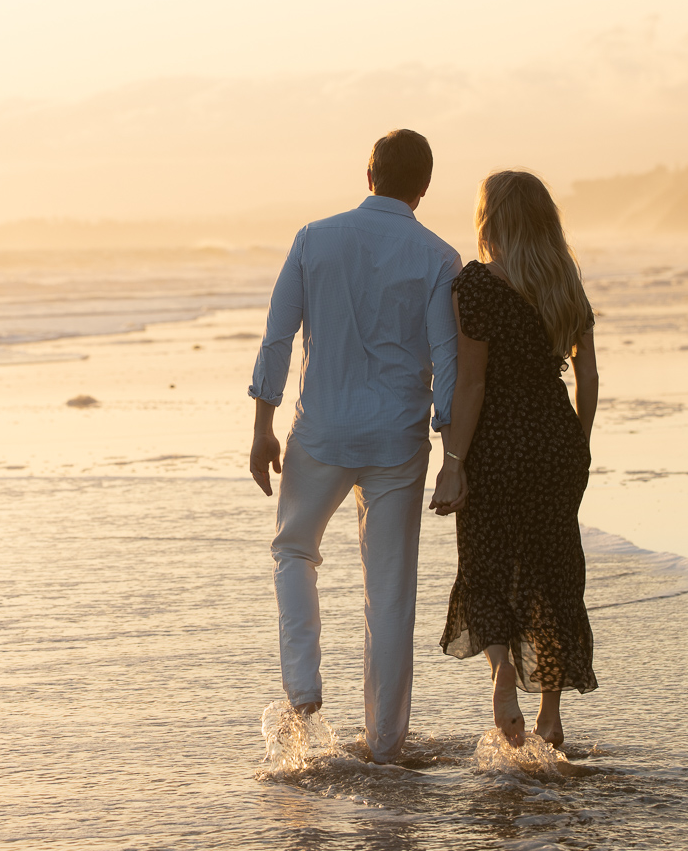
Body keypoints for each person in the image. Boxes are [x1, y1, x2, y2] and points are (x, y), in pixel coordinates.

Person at [249, 128, 462, 762]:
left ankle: (303, 688)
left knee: (293, 548)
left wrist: (262, 422)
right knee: (390, 591)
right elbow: (446, 360)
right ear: (423, 188)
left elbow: (278, 334)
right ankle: (385, 745)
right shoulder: (439, 256)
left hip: (322, 428)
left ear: (368, 174)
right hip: (398, 438)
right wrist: (454, 452)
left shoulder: (316, 238)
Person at [429, 169, 599, 750]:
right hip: (555, 441)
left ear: (491, 219)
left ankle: (503, 670)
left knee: (487, 562)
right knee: (554, 573)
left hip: (497, 441)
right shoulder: (564, 283)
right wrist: (579, 444)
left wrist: (453, 460)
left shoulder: (477, 285)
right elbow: (588, 375)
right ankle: (551, 712)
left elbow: (471, 385)